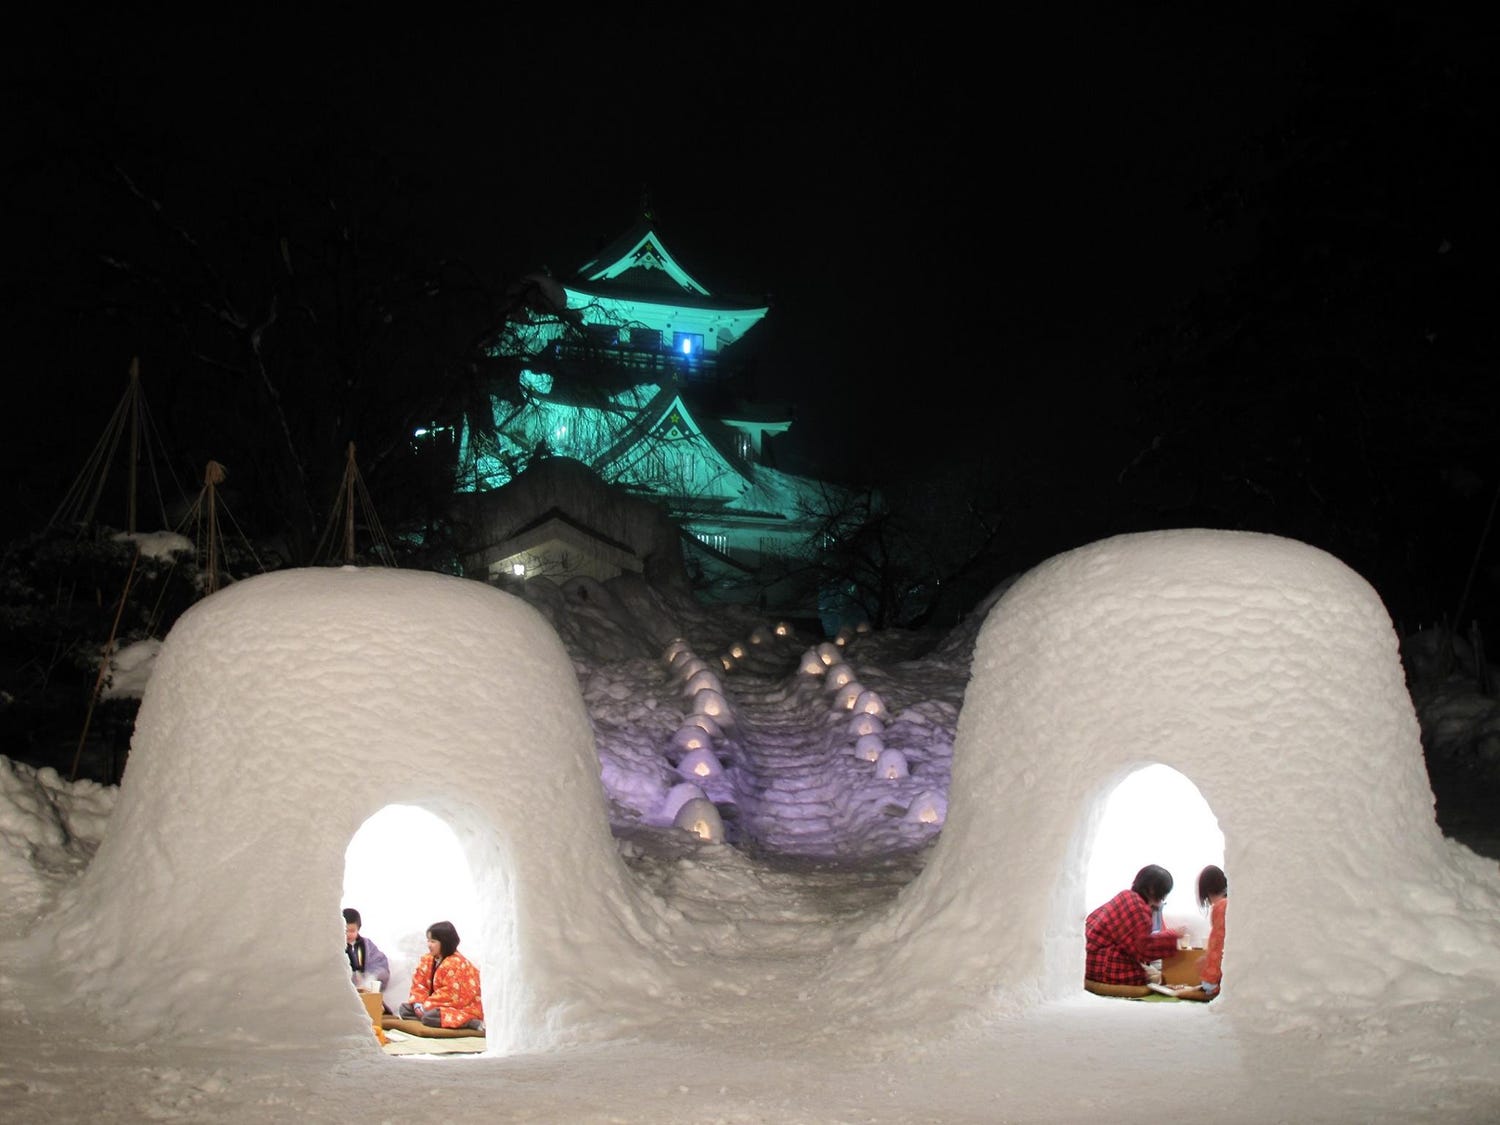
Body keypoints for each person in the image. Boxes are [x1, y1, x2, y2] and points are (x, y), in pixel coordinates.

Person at [1084, 864, 1187, 989]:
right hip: (1103, 965)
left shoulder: (1126, 897)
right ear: (1153, 889)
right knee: (1152, 976)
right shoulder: (1136, 905)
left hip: (1088, 962)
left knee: (1154, 971)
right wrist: (1173, 935)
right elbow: (1144, 947)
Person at [398, 920, 484, 1031]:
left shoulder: (457, 963)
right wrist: (418, 1003)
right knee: (405, 1009)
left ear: (445, 942)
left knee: (431, 1016)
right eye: (428, 940)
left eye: (433, 941)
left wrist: (426, 1005)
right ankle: (426, 1016)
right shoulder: (428, 959)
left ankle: (468, 1021)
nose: (429, 945)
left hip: (459, 1007)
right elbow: (419, 984)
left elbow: (451, 994)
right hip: (433, 1005)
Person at [1195, 864, 1228, 998]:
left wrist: (1209, 980)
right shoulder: (1231, 903)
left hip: (1221, 981)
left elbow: (1217, 945)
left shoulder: (1220, 907)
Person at [342, 907, 391, 994]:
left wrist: (371, 977)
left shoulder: (367, 945)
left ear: (358, 929)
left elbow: (380, 964)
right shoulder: (336, 947)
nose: (348, 934)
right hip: (344, 991)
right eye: (345, 931)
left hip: (366, 990)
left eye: (352, 931)